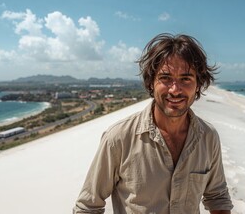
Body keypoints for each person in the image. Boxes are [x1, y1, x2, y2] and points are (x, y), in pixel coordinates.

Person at [73, 33, 233, 214]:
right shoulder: (119, 138)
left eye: (185, 79)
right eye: (165, 78)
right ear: (151, 83)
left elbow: (217, 197)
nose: (175, 89)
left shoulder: (208, 137)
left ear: (198, 85)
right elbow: (88, 207)